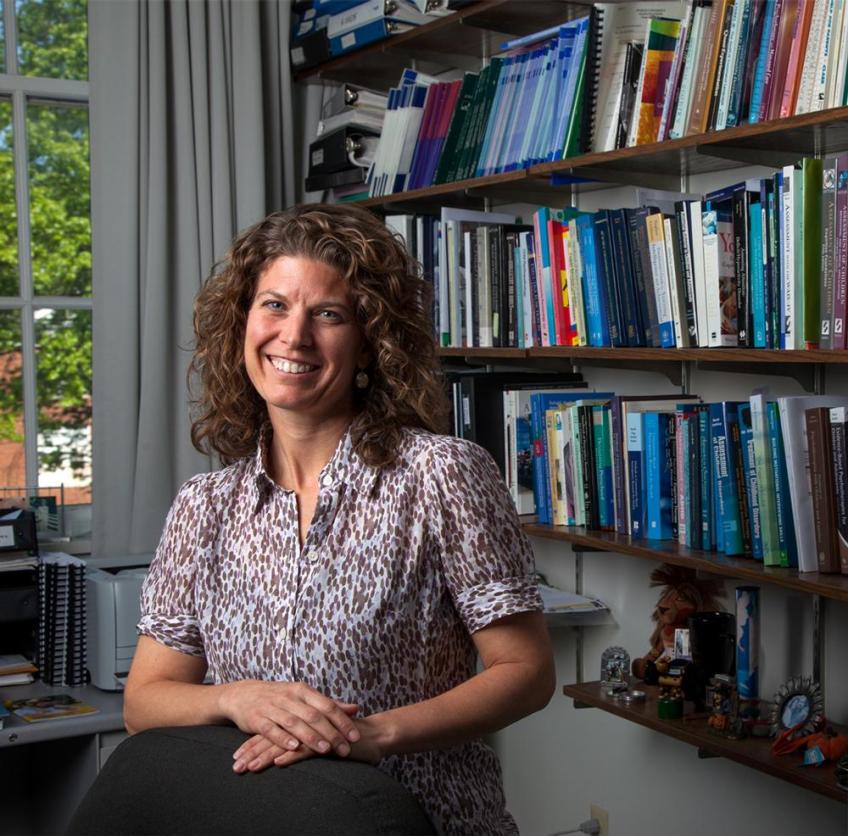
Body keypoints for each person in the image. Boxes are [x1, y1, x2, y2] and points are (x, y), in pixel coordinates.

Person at [122, 203, 555, 835]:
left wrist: (374, 733)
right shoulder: (202, 507)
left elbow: (527, 673)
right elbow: (144, 701)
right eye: (274, 305)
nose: (293, 336)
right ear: (241, 324)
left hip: (423, 822)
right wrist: (234, 697)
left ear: (370, 345)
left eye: (328, 314)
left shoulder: (441, 474)